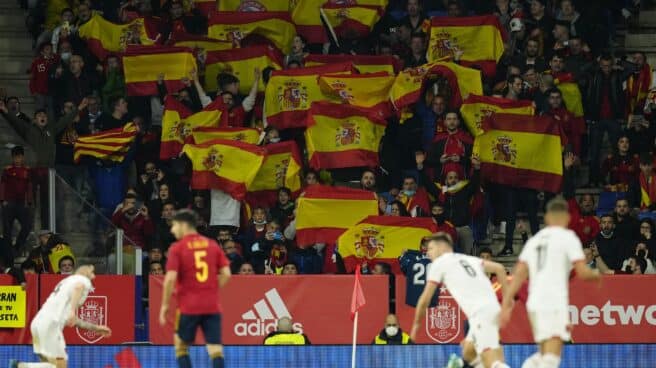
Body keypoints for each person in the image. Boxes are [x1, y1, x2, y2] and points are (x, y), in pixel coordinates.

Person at [501, 198, 601, 368]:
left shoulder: (535, 241)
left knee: (546, 351)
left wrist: (506, 302)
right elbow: (583, 271)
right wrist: (595, 276)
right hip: (553, 302)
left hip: (535, 303)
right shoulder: (569, 238)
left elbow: (518, 274)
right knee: (551, 356)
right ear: (567, 219)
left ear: (547, 218)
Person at [411, 233, 509, 368]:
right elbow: (499, 268)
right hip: (487, 311)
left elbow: (424, 299)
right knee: (468, 352)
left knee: (492, 362)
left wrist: (416, 325)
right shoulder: (468, 259)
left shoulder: (439, 263)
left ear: (441, 248)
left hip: (482, 313)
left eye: (431, 248)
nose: (428, 253)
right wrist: (507, 302)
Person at [159, 209, 231, 368]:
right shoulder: (212, 245)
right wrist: (210, 289)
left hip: (188, 306)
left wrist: (164, 305)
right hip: (212, 306)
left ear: (183, 225)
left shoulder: (177, 248)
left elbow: (170, 278)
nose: (172, 230)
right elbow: (226, 273)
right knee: (215, 349)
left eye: (174, 225)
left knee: (181, 346)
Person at [10, 265, 111, 368]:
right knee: (61, 365)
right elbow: (78, 287)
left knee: (51, 364)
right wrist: (72, 310)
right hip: (50, 325)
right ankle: (20, 366)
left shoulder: (65, 283)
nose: (93, 275)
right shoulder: (82, 280)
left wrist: (95, 328)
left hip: (37, 325)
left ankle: (21, 366)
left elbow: (73, 321)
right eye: (91, 272)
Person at [1, 146, 33, 256]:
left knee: (27, 226)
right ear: (12, 158)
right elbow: (2, 185)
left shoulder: (27, 170)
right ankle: (7, 253)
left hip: (21, 203)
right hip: (9, 202)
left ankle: (17, 247)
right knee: (7, 230)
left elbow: (29, 186)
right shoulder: (7, 170)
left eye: (19, 157)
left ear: (22, 157)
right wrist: (2, 200)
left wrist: (28, 201)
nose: (17, 159)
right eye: (15, 157)